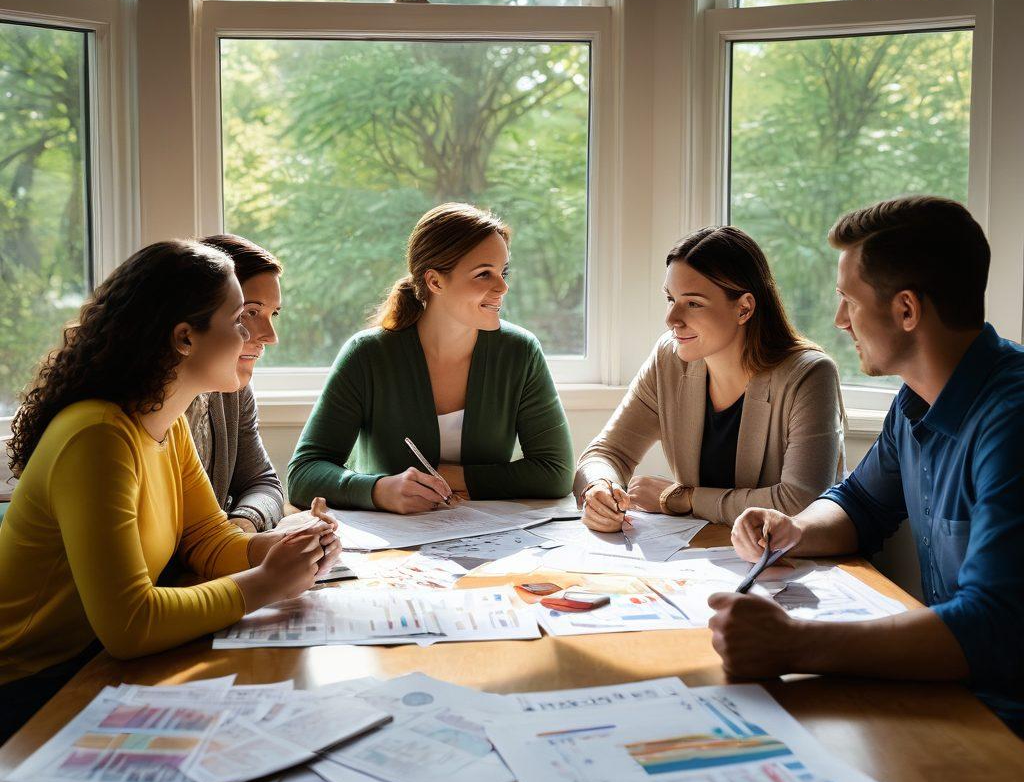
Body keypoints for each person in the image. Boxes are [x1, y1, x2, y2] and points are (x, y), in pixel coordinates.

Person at [0, 240, 339, 743]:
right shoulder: (97, 436)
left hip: (91, 668)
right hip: (30, 688)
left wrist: (284, 550)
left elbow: (208, 541)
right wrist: (267, 583)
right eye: (238, 320)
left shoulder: (165, 420)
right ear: (185, 337)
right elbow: (130, 625)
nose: (253, 336)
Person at [712, 196, 1024, 738]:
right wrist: (793, 529)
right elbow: (861, 503)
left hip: (1001, 724)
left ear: (906, 310)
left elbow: (993, 627)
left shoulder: (1013, 421)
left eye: (847, 301)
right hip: (948, 698)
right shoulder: (915, 400)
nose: (838, 321)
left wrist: (791, 644)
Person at [288, 203, 574, 513]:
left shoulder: (521, 352)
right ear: (435, 282)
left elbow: (555, 473)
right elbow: (304, 474)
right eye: (483, 275)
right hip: (391, 551)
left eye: (503, 272)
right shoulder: (367, 355)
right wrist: (379, 490)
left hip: (488, 543)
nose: (503, 287)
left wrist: (454, 476)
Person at [575, 226, 844, 531]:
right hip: (705, 554)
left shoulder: (809, 374)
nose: (671, 319)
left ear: (744, 308)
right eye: (670, 298)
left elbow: (801, 502)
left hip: (795, 563)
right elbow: (607, 452)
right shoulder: (669, 357)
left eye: (693, 303)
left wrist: (681, 498)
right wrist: (598, 488)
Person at [185, 234, 285, 534]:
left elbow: (262, 482)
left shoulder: (233, 393)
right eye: (250, 313)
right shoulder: (152, 417)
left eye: (273, 314)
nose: (270, 336)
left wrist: (243, 524)